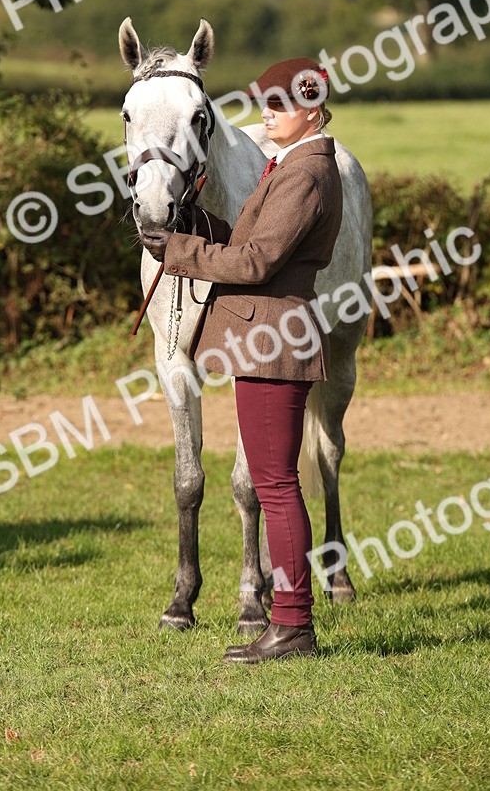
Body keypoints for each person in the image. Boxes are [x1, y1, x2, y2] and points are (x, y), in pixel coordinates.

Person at [140, 57, 343, 664]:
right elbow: (247, 239)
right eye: (265, 103)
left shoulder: (306, 173)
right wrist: (196, 224)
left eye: (281, 105)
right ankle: (290, 622)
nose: (267, 115)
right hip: (265, 339)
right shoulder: (289, 165)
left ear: (313, 109)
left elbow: (257, 262)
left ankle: (293, 625)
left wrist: (180, 251)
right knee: (278, 484)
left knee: (275, 487)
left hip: (271, 340)